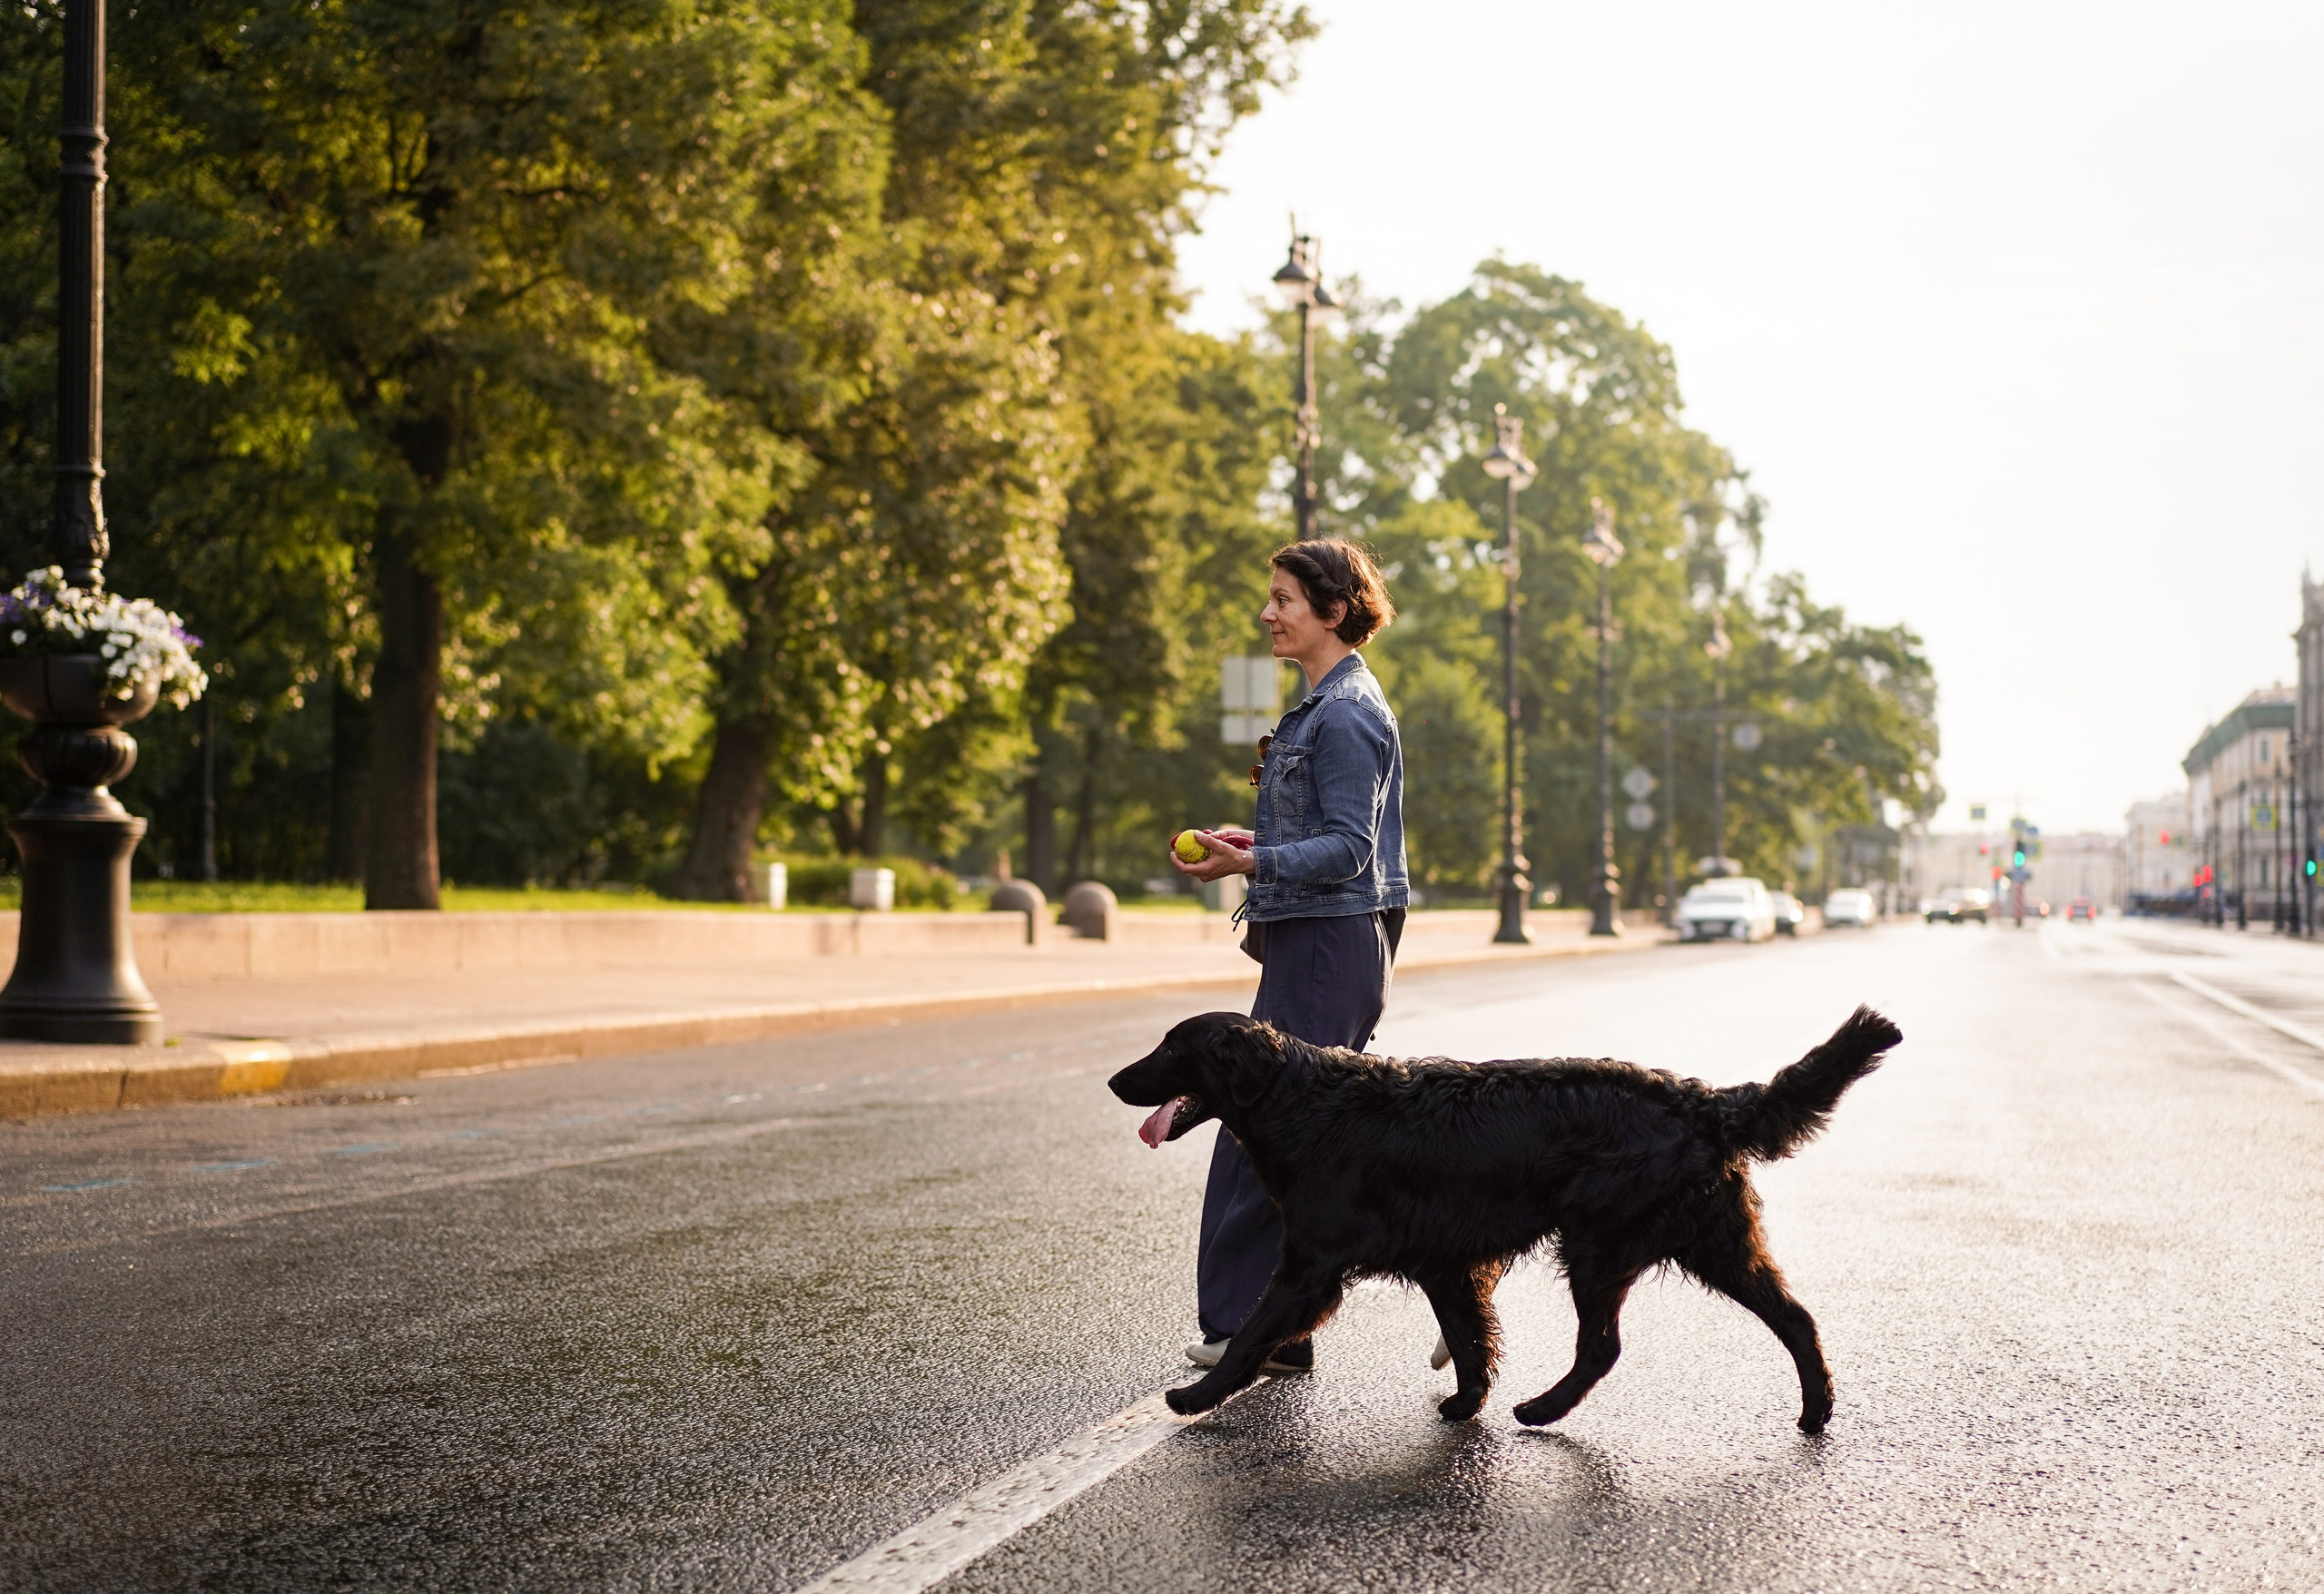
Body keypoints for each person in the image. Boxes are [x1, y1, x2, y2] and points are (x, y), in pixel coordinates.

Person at [1170, 536, 1407, 1373]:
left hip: (1327, 947)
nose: (1268, 613)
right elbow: (1332, 837)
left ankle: (1252, 1328)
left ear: (1333, 611)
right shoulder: (1323, 706)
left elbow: (1349, 848)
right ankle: (1278, 1327)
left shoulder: (1345, 714)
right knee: (1298, 1140)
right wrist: (1251, 839)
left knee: (1262, 1129)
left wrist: (1252, 862)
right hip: (1319, 945)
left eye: (1284, 600)